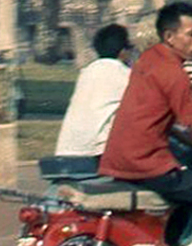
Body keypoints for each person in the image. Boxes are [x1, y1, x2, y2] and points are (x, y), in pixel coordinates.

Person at [100, 2, 192, 208]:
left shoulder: (148, 59)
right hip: (148, 166)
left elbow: (153, 119)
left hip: (117, 162)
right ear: (169, 37)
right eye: (191, 35)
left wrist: (185, 137)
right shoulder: (175, 74)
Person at [54, 24, 133, 161]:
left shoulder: (87, 72)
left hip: (66, 149)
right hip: (94, 152)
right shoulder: (124, 73)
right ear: (122, 52)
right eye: (130, 49)